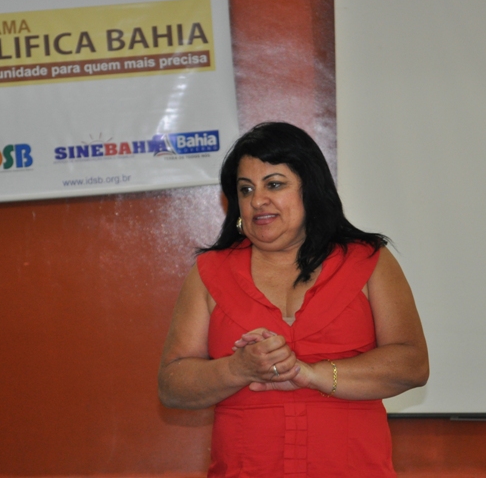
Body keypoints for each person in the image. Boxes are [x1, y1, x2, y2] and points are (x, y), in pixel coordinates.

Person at [158, 122, 428, 477]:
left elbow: (412, 365)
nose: (257, 200)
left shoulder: (368, 260)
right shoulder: (210, 272)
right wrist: (238, 368)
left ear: (310, 190)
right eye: (245, 189)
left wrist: (309, 374)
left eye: (274, 184)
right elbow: (172, 386)